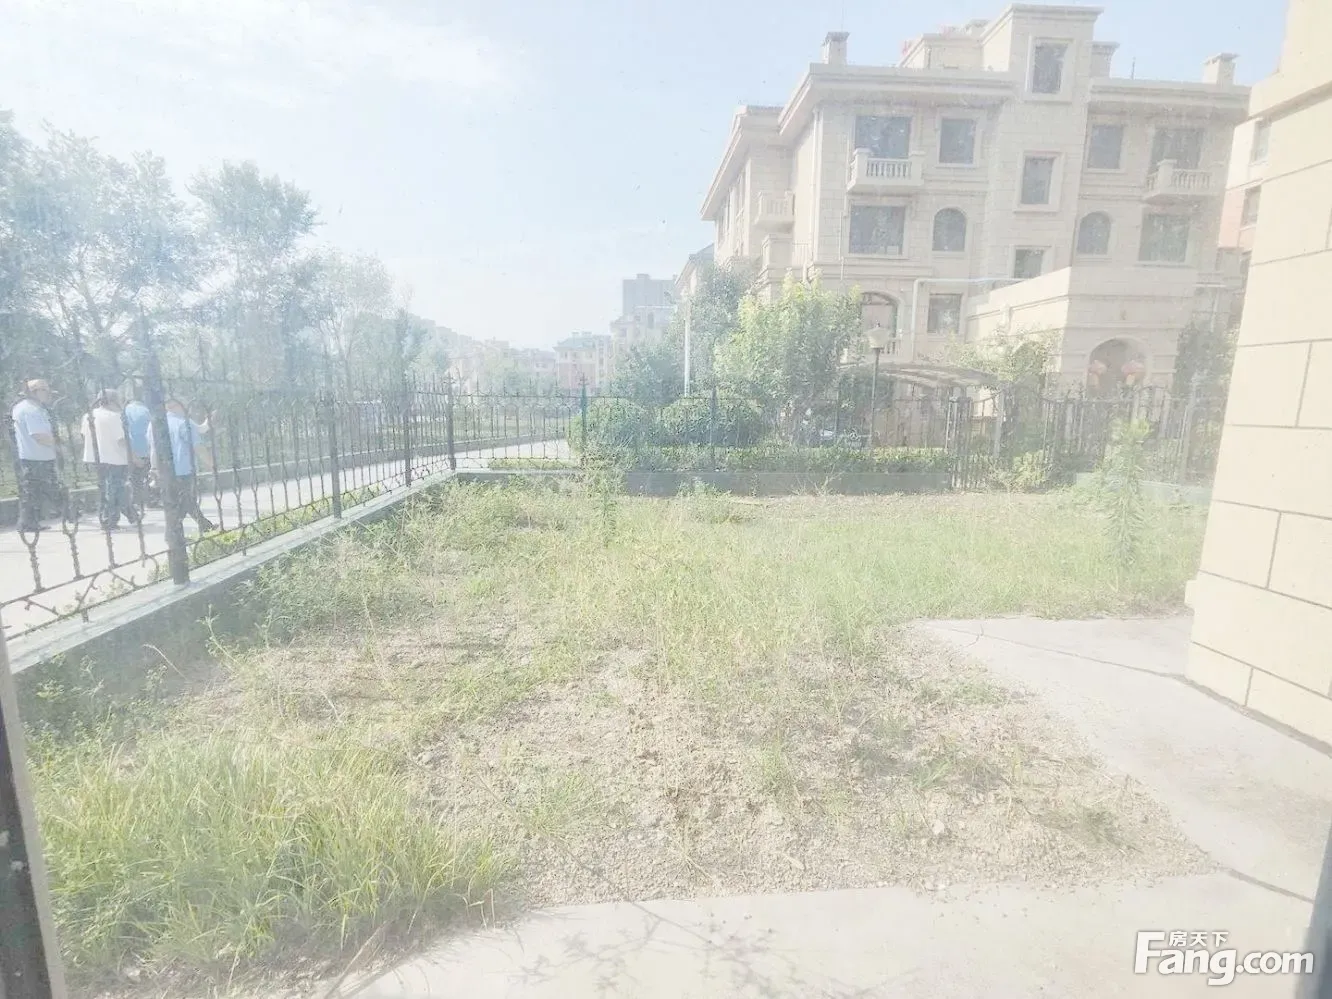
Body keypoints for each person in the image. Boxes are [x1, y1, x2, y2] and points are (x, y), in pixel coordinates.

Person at [148, 398, 215, 533]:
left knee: (180, 501)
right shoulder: (184, 423)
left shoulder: (155, 424)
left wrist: (154, 468)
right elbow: (198, 447)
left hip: (165, 470)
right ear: (177, 405)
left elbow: (153, 448)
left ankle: (203, 526)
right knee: (185, 501)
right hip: (183, 469)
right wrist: (212, 464)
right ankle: (175, 533)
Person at [11, 379, 64, 532]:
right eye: (45, 390)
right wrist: (59, 447)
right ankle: (29, 522)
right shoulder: (31, 410)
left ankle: (30, 522)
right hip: (37, 457)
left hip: (32, 456)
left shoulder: (25, 407)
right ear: (34, 392)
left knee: (33, 491)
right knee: (36, 491)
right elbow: (39, 435)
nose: (48, 393)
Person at [82, 390, 138, 530]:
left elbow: (83, 435)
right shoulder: (114, 417)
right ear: (113, 401)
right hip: (115, 458)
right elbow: (122, 440)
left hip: (96, 458)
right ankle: (113, 518)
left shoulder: (88, 416)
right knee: (116, 489)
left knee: (107, 489)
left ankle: (123, 515)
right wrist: (134, 457)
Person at [121, 393, 152, 514]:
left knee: (134, 478)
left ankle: (136, 502)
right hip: (147, 448)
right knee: (150, 475)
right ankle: (151, 498)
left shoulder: (124, 411)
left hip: (130, 450)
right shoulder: (147, 410)